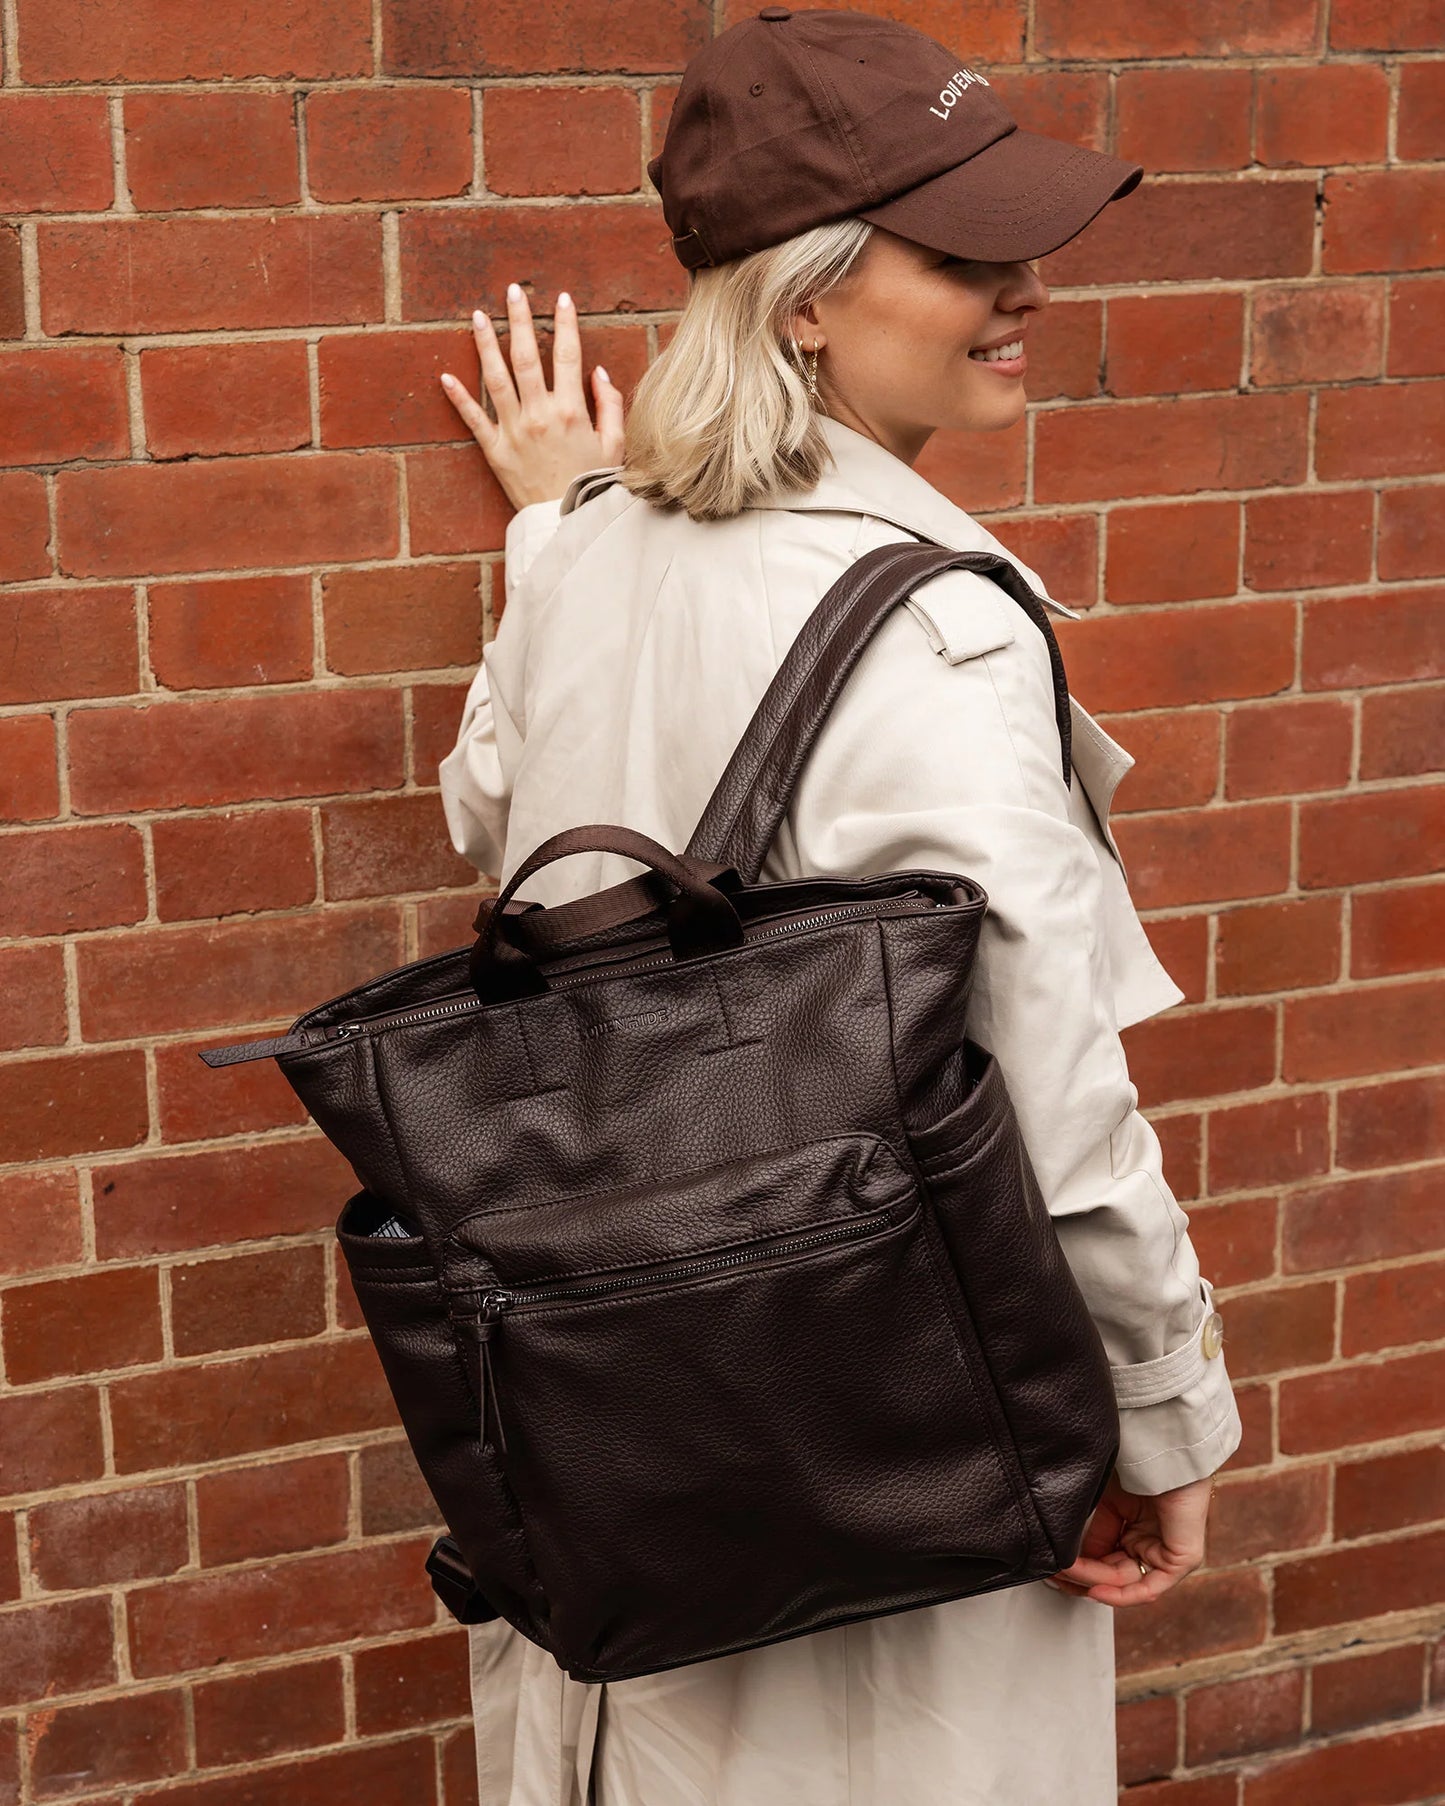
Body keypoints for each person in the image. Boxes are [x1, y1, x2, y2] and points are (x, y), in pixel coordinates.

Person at [435, 9, 1244, 1803]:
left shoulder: (590, 554)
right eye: (961, 251)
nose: (1020, 284)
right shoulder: (932, 625)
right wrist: (1163, 1409)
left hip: (618, 1421)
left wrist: (550, 521)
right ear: (801, 298)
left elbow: (492, 808)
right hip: (896, 1427)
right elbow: (1044, 1085)